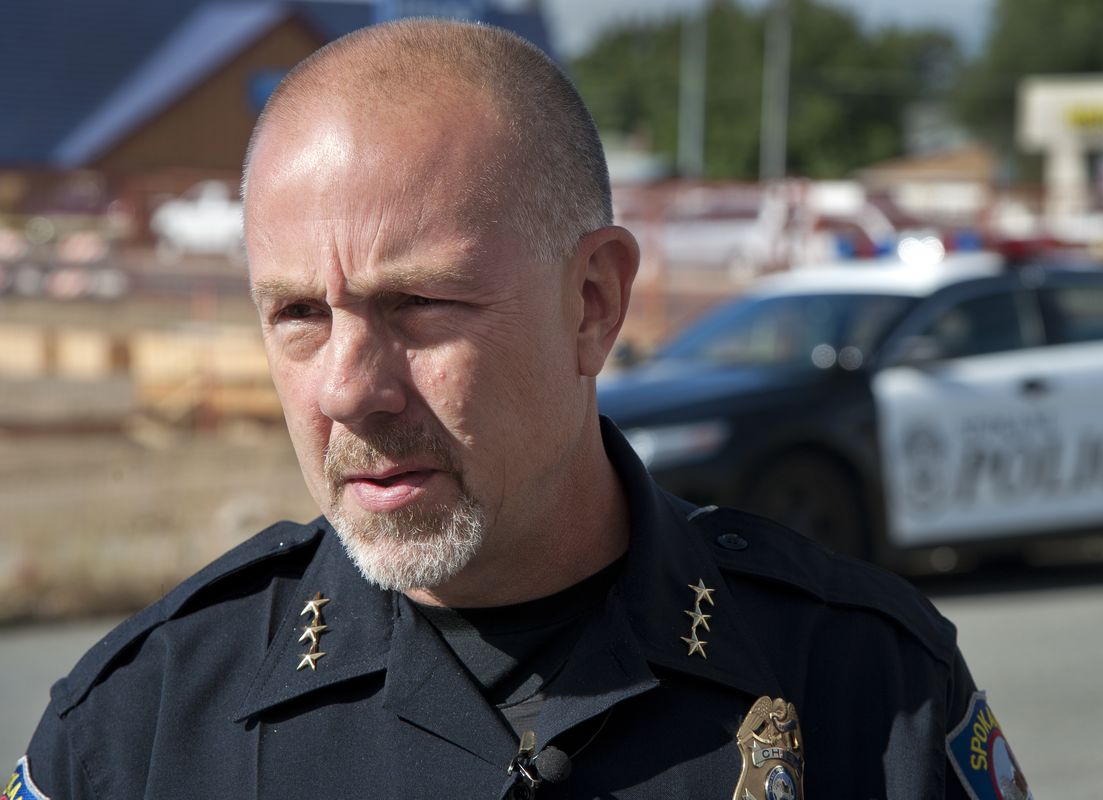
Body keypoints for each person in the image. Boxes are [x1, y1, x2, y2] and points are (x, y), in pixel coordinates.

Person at [11, 19, 1029, 800]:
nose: (347, 387)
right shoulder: (143, 727)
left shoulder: (861, 684)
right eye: (297, 313)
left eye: (418, 303)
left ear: (593, 303)